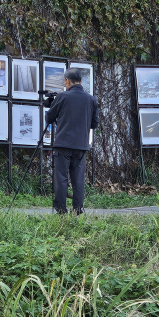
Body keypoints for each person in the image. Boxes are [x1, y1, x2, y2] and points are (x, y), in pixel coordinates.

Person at [45, 68, 100, 215]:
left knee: (61, 178)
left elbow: (49, 118)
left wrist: (52, 105)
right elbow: (95, 124)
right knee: (78, 179)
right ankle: (78, 209)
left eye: (65, 82)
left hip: (63, 144)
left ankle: (61, 210)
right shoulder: (91, 99)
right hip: (81, 145)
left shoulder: (62, 97)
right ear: (81, 81)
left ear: (68, 81)